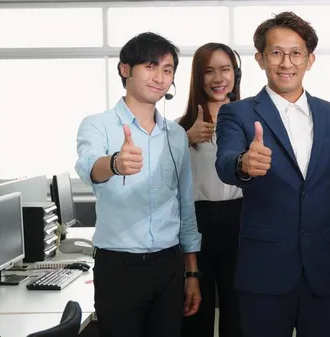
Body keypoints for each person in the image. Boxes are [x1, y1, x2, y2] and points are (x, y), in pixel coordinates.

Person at [215, 11, 330, 337]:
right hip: (264, 273)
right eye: (275, 52)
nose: (286, 62)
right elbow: (225, 161)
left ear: (309, 59)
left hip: (325, 274)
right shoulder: (237, 113)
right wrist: (244, 162)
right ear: (260, 58)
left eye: (296, 53)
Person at [74, 32, 202, 337]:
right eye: (150, 66)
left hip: (170, 265)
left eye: (167, 70)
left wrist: (192, 272)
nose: (160, 77)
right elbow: (89, 166)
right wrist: (116, 162)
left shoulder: (175, 135)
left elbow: (185, 204)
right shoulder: (97, 124)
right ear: (124, 69)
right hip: (119, 267)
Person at [179, 42, 243, 337]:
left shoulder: (250, 120)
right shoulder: (180, 129)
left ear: (235, 74)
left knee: (238, 314)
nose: (218, 78)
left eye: (225, 69)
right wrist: (184, 138)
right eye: (209, 71)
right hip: (199, 224)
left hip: (241, 222)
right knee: (196, 316)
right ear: (198, 77)